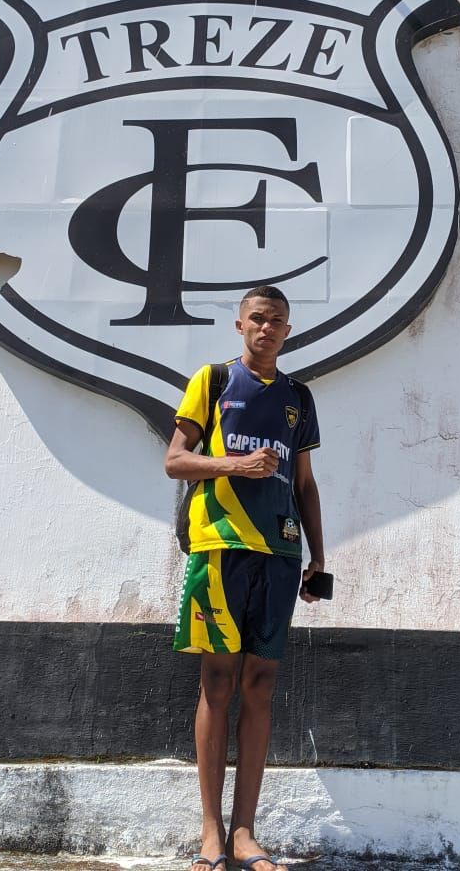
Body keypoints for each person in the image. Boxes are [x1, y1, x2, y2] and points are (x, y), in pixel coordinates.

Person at [165, 285, 325, 871]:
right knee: (217, 683)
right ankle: (210, 833)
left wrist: (318, 557)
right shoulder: (212, 381)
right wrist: (236, 464)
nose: (266, 328)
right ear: (240, 325)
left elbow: (304, 484)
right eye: (257, 318)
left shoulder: (298, 398)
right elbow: (175, 460)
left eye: (277, 321)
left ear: (287, 330)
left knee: (259, 686)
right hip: (220, 548)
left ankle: (244, 834)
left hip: (280, 554)